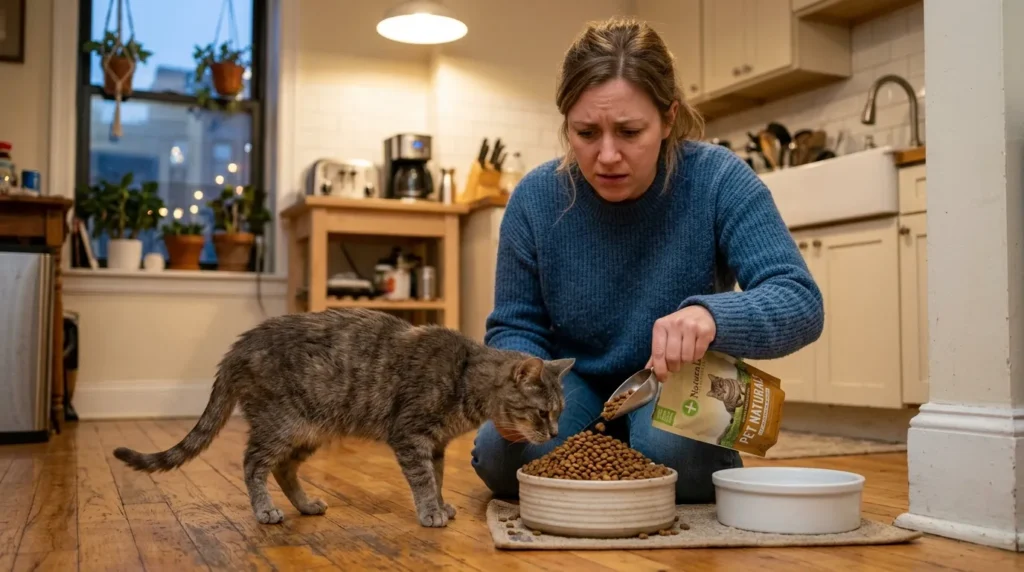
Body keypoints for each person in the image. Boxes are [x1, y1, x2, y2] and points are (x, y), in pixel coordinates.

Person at [470, 16, 824, 504]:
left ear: (668, 119)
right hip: (574, 383)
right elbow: (515, 324)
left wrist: (712, 316)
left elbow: (800, 301)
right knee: (500, 453)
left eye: (630, 131)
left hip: (685, 379)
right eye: (586, 132)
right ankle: (613, 452)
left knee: (670, 450)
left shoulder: (719, 180)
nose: (607, 155)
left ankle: (627, 454)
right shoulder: (535, 197)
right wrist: (514, 383)